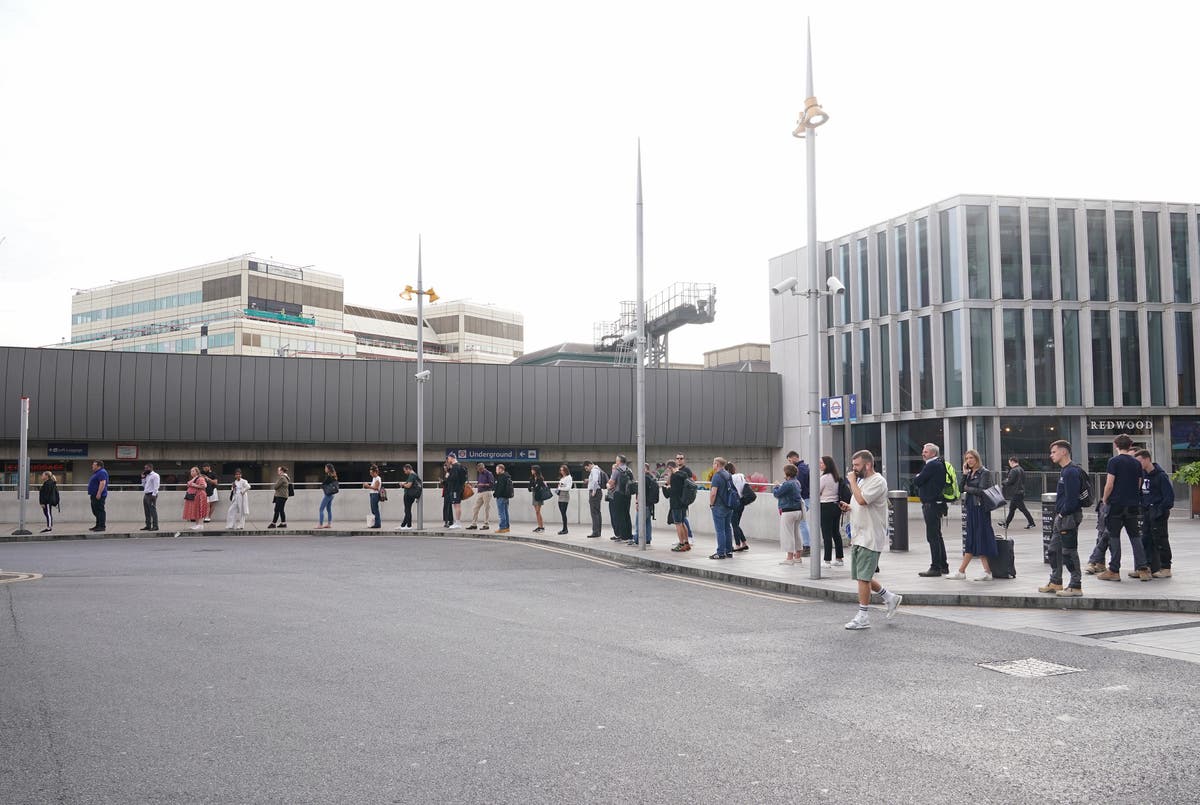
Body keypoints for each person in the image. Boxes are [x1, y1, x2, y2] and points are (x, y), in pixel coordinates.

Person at [841, 450, 902, 629]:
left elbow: (863, 501)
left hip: (870, 537)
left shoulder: (877, 481)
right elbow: (858, 504)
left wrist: (852, 481)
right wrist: (848, 507)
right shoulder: (862, 481)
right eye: (853, 466)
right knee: (862, 576)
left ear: (868, 465)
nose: (854, 469)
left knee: (863, 578)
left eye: (857, 465)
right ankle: (890, 597)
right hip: (859, 536)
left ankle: (863, 616)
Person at [1098, 434, 1150, 582]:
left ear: (1116, 445)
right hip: (1133, 504)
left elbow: (1110, 484)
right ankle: (1143, 568)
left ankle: (1114, 570)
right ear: (1130, 445)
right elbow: (1139, 483)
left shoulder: (1114, 461)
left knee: (1114, 537)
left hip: (1116, 504)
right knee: (1135, 536)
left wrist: (1104, 499)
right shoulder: (1136, 463)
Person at [1040, 440, 1085, 597]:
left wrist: (1061, 514)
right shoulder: (1064, 471)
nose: (1051, 455)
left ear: (1064, 452)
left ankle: (1075, 585)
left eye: (1054, 452)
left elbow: (1072, 499)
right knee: (1053, 550)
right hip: (1062, 517)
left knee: (1069, 552)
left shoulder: (1071, 472)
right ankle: (1056, 581)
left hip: (1068, 517)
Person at [947, 449, 997, 581]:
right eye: (967, 458)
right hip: (971, 508)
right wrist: (964, 475)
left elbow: (981, 491)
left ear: (977, 459)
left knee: (978, 538)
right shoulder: (970, 473)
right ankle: (986, 571)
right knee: (974, 538)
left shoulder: (984, 472)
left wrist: (967, 489)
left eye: (971, 458)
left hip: (980, 510)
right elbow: (960, 487)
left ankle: (962, 571)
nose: (968, 461)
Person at [912, 443, 950, 577]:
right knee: (937, 535)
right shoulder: (940, 464)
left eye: (926, 452)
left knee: (932, 536)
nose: (923, 453)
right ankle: (943, 565)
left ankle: (935, 567)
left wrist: (917, 477)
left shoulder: (932, 465)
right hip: (937, 503)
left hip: (931, 504)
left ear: (933, 453)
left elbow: (918, 481)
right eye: (923, 451)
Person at [1136, 449, 1175, 579]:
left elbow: (1169, 497)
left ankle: (1166, 567)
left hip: (1158, 512)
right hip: (1147, 511)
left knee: (1161, 539)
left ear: (1147, 459)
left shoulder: (1161, 476)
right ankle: (1146, 566)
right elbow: (1141, 493)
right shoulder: (1142, 475)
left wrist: (1159, 510)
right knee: (1146, 539)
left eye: (1139, 461)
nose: (1138, 464)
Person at [773, 463, 804, 566]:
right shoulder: (797, 482)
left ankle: (789, 558)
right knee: (796, 533)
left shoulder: (788, 484)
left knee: (788, 534)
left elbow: (777, 494)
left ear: (787, 473)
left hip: (788, 511)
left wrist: (776, 486)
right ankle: (798, 556)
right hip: (798, 510)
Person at [817, 455, 845, 567]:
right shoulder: (836, 477)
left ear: (827, 465)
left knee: (826, 534)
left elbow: (816, 491)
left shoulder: (824, 478)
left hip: (825, 506)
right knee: (835, 533)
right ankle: (839, 558)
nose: (819, 465)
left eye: (821, 463)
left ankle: (827, 560)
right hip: (836, 506)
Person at [708, 457, 735, 560]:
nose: (713, 465)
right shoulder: (728, 474)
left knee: (720, 530)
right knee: (727, 528)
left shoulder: (716, 476)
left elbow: (713, 493)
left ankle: (720, 553)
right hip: (728, 505)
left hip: (719, 506)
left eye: (713, 463)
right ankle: (728, 551)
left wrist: (711, 504)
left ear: (717, 464)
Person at [787, 450, 813, 556]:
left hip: (803, 498)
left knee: (802, 523)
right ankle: (805, 546)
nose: (789, 463)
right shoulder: (804, 467)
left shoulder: (800, 469)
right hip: (807, 497)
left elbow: (799, 485)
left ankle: (807, 546)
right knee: (801, 522)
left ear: (794, 458)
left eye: (789, 460)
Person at [998, 456, 1036, 530]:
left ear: (1012, 461)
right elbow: (1023, 480)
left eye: (1009, 463)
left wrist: (1003, 482)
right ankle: (1006, 523)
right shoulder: (1021, 469)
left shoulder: (1013, 470)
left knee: (1022, 509)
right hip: (1020, 491)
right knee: (1012, 509)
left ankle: (1031, 523)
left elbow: (1010, 481)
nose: (1009, 465)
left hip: (1016, 492)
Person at [666, 460, 691, 552]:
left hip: (676, 503)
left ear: (670, 468)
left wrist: (669, 478)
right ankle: (686, 543)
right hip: (684, 503)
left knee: (678, 524)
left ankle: (681, 544)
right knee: (683, 523)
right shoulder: (684, 474)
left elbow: (670, 488)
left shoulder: (674, 476)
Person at [673, 452, 696, 545]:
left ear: (684, 459)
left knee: (682, 520)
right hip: (675, 498)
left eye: (681, 458)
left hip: (683, 499)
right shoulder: (674, 470)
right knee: (680, 521)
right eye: (678, 458)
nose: (679, 460)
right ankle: (682, 539)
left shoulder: (686, 470)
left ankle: (688, 537)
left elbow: (691, 483)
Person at [609, 455, 634, 542]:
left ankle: (623, 536)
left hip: (618, 494)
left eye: (616, 460)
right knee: (627, 514)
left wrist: (612, 474)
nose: (616, 461)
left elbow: (611, 483)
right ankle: (629, 535)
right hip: (628, 495)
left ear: (619, 461)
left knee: (620, 515)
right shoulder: (629, 470)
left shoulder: (617, 470)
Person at [727, 462, 749, 552]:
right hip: (742, 502)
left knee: (734, 524)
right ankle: (744, 542)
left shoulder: (730, 478)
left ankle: (738, 544)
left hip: (735, 502)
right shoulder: (741, 476)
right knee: (736, 524)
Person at [468, 463, 495, 530]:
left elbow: (491, 484)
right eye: (478, 470)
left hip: (487, 492)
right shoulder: (480, 474)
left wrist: (483, 484)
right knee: (475, 508)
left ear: (483, 468)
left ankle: (486, 525)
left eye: (480, 469)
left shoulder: (489, 473)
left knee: (486, 509)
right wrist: (475, 485)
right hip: (480, 492)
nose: (479, 471)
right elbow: (479, 483)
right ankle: (474, 524)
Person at [444, 454, 468, 529]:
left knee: (457, 505)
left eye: (448, 459)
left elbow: (453, 478)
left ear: (451, 458)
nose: (448, 460)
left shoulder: (455, 467)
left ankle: (457, 523)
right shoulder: (460, 466)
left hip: (455, 489)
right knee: (457, 505)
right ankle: (457, 522)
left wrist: (448, 476)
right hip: (459, 488)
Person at [183, 466, 210, 530]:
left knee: (199, 509)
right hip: (195, 496)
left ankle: (200, 524)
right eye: (191, 471)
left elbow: (203, 486)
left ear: (197, 472)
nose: (191, 472)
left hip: (200, 496)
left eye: (193, 471)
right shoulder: (194, 478)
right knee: (195, 510)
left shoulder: (200, 478)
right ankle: (197, 524)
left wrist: (194, 485)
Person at [584, 460, 605, 538]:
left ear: (589, 465)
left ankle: (595, 532)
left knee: (594, 513)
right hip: (598, 492)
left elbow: (596, 481)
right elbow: (594, 480)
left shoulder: (594, 470)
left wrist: (594, 491)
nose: (587, 470)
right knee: (597, 512)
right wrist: (589, 480)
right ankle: (598, 531)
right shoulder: (597, 469)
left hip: (595, 493)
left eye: (587, 468)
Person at [87, 459, 108, 532]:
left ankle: (102, 526)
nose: (92, 466)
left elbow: (102, 483)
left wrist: (99, 493)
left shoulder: (101, 472)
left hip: (98, 495)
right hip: (94, 495)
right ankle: (98, 525)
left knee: (100, 510)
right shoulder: (97, 472)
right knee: (95, 511)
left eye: (94, 465)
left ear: (98, 466)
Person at [398, 464, 421, 530]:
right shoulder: (415, 475)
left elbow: (408, 485)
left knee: (407, 510)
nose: (404, 472)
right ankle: (403, 525)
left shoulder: (412, 475)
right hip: (412, 495)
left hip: (409, 495)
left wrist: (402, 484)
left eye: (405, 471)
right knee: (407, 510)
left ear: (408, 469)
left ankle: (409, 525)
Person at [493, 464, 513, 534]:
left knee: (501, 513)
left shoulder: (501, 477)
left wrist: (495, 494)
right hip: (506, 497)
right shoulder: (507, 476)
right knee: (505, 513)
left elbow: (500, 488)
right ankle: (507, 527)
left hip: (501, 497)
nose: (496, 471)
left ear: (501, 469)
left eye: (497, 469)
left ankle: (502, 528)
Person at [140, 462, 160, 532]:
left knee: (152, 511)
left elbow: (156, 486)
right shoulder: (147, 476)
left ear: (151, 468)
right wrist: (143, 478)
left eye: (146, 468)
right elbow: (144, 485)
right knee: (147, 511)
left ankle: (155, 526)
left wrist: (154, 495)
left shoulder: (155, 475)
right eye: (144, 468)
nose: (145, 469)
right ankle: (148, 525)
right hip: (146, 494)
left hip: (152, 495)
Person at [318, 464, 338, 529]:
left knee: (321, 509)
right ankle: (329, 524)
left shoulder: (329, 476)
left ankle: (320, 525)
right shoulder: (334, 475)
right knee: (328, 509)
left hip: (328, 495)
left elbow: (324, 484)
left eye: (326, 468)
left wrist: (321, 485)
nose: (325, 469)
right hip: (332, 495)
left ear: (329, 469)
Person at [529, 465, 548, 533]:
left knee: (538, 511)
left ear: (536, 470)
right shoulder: (532, 478)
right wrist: (533, 487)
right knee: (537, 512)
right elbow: (529, 488)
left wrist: (533, 487)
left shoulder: (540, 478)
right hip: (534, 495)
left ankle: (541, 527)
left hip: (539, 496)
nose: (531, 471)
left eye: (532, 469)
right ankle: (539, 526)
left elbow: (538, 487)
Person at [363, 464, 382, 529]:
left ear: (375, 472)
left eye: (372, 472)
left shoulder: (377, 478)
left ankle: (377, 524)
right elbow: (373, 487)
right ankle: (375, 523)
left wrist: (367, 486)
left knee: (375, 509)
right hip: (372, 494)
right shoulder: (374, 478)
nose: (371, 474)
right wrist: (367, 486)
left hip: (375, 494)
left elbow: (376, 488)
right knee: (373, 509)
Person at [439, 461, 453, 528]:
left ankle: (446, 521)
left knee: (446, 507)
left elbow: (447, 483)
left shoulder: (449, 473)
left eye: (445, 468)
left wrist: (442, 482)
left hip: (448, 492)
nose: (444, 469)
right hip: (449, 492)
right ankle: (451, 521)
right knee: (449, 507)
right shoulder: (449, 473)